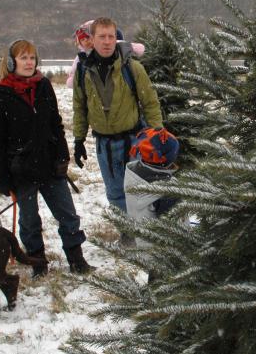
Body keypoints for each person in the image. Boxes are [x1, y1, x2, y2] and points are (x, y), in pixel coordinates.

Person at [0, 39, 92, 277]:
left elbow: (55, 123)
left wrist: (62, 155)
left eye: (32, 58)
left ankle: (76, 259)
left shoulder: (43, 85)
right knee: (30, 221)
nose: (29, 62)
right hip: (21, 169)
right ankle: (38, 264)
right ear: (12, 62)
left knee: (67, 214)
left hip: (49, 165)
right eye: (23, 58)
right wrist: (1, 174)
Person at [72, 17, 163, 223]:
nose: (106, 41)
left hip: (134, 141)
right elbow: (79, 106)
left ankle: (147, 233)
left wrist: (157, 135)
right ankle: (128, 233)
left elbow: (150, 102)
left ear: (116, 39)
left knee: (140, 190)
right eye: (101, 36)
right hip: (104, 144)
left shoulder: (131, 68)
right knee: (115, 193)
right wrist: (78, 140)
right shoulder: (83, 71)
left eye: (111, 36)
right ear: (92, 39)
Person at [125, 127, 181, 250]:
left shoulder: (133, 174)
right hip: (165, 255)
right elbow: (175, 232)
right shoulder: (168, 192)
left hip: (144, 244)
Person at [66, 20, 145, 89]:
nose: (86, 41)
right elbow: (74, 71)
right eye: (82, 39)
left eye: (88, 37)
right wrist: (73, 79)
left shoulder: (109, 46)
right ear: (79, 43)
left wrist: (135, 48)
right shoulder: (82, 56)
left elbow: (121, 44)